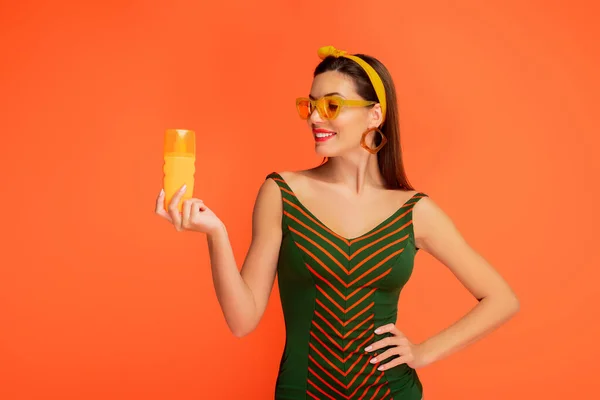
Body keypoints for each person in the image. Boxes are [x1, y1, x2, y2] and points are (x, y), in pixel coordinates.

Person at [155, 45, 520, 399]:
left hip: (391, 394)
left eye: (331, 105)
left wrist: (424, 352)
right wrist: (215, 234)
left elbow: (501, 299)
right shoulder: (282, 193)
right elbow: (242, 320)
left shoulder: (414, 211)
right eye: (310, 106)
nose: (315, 118)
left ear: (375, 115)